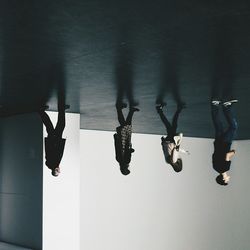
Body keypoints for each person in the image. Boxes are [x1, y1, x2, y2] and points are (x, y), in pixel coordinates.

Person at [211, 99, 238, 185]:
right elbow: (214, 155)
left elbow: (227, 155)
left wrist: (233, 152)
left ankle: (226, 107)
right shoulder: (215, 168)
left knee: (233, 127)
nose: (228, 178)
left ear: (223, 179)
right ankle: (214, 105)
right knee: (218, 126)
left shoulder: (226, 168)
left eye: (227, 180)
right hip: (217, 143)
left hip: (225, 143)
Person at [156, 103, 189, 172]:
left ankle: (161, 110)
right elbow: (167, 150)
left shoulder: (174, 160)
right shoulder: (168, 162)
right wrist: (184, 151)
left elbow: (175, 150)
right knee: (172, 125)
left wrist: (179, 141)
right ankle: (161, 110)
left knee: (171, 125)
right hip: (167, 142)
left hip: (170, 141)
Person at [38, 104, 69, 177]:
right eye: (59, 171)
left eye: (57, 171)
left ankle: (42, 111)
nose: (59, 170)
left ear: (54, 170)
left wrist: (55, 139)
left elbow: (53, 150)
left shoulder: (53, 163)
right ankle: (42, 111)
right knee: (53, 125)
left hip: (54, 139)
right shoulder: (53, 164)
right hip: (53, 139)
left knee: (60, 124)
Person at [114, 103, 139, 175]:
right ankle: (128, 111)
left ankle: (120, 109)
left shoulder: (127, 161)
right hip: (121, 140)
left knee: (126, 125)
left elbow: (128, 152)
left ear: (126, 168)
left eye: (128, 169)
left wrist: (131, 150)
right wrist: (115, 139)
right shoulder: (118, 160)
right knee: (125, 125)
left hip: (125, 141)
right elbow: (116, 148)